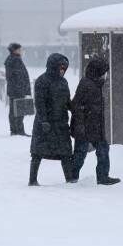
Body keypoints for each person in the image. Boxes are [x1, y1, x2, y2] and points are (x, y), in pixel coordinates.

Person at [70, 57, 120, 185]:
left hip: (89, 126)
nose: (105, 76)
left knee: (81, 152)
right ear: (98, 73)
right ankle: (101, 177)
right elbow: (76, 105)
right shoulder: (89, 86)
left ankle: (72, 176)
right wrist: (83, 124)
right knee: (99, 149)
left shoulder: (90, 83)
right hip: (89, 127)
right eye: (104, 73)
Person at [29, 53, 73, 186]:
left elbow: (66, 100)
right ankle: (32, 180)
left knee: (65, 153)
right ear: (54, 66)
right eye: (61, 68)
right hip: (46, 123)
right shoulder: (42, 81)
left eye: (64, 68)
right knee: (37, 153)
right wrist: (44, 121)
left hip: (60, 123)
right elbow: (39, 103)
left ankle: (69, 179)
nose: (62, 71)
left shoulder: (63, 82)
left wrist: (74, 107)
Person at [4, 43, 31, 136]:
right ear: (15, 50)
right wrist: (22, 88)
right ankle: (18, 130)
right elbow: (17, 76)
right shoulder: (15, 60)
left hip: (15, 89)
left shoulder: (13, 59)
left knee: (14, 110)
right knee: (18, 110)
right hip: (17, 90)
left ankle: (15, 130)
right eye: (20, 49)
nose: (21, 51)